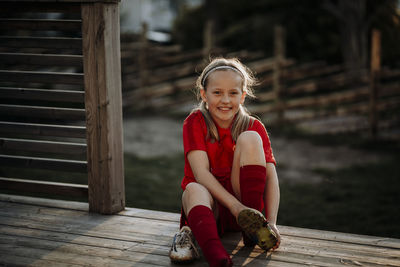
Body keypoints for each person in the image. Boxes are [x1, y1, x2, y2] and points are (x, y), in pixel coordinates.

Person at [169, 57, 281, 267]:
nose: (225, 100)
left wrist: (272, 222)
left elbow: (271, 176)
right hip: (209, 209)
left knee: (250, 138)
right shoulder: (195, 122)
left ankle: (254, 230)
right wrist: (235, 207)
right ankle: (217, 257)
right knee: (193, 188)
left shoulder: (254, 126)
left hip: (244, 203)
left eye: (233, 93)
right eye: (217, 92)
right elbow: (201, 174)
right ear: (204, 94)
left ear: (243, 96)